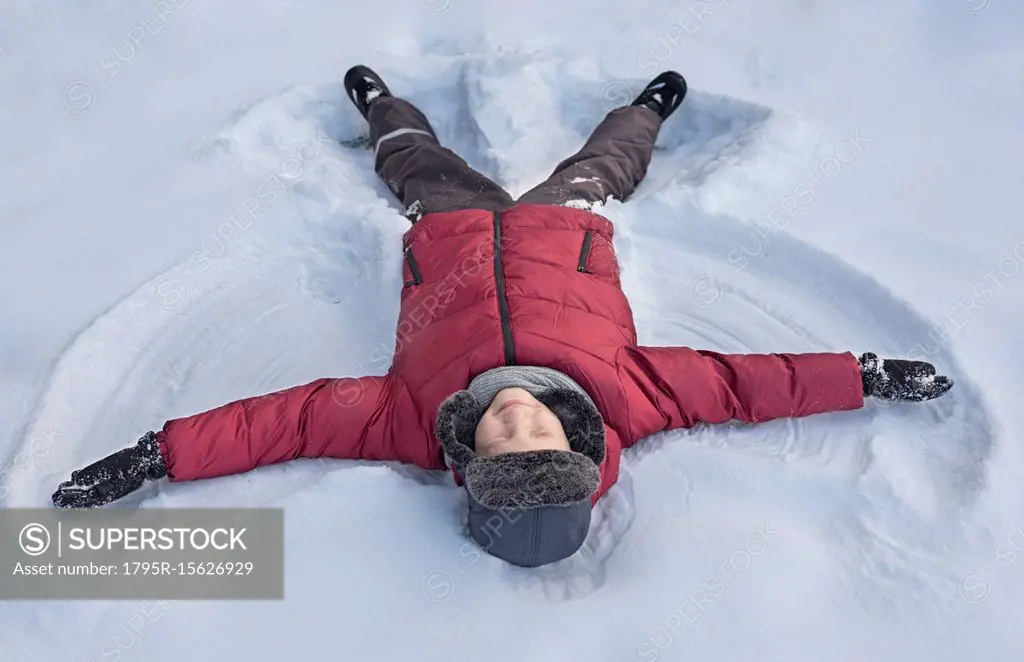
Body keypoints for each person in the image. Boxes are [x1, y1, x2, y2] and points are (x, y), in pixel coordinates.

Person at [51, 66, 954, 567]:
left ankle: (380, 106)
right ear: (576, 447)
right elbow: (749, 383)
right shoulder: (632, 397)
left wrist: (157, 454)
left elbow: (279, 423)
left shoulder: (405, 420)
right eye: (542, 446)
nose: (517, 420)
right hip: (564, 228)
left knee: (411, 159)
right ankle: (646, 109)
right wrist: (864, 374)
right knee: (607, 162)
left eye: (500, 446)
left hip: (447, 232)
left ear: (469, 458)